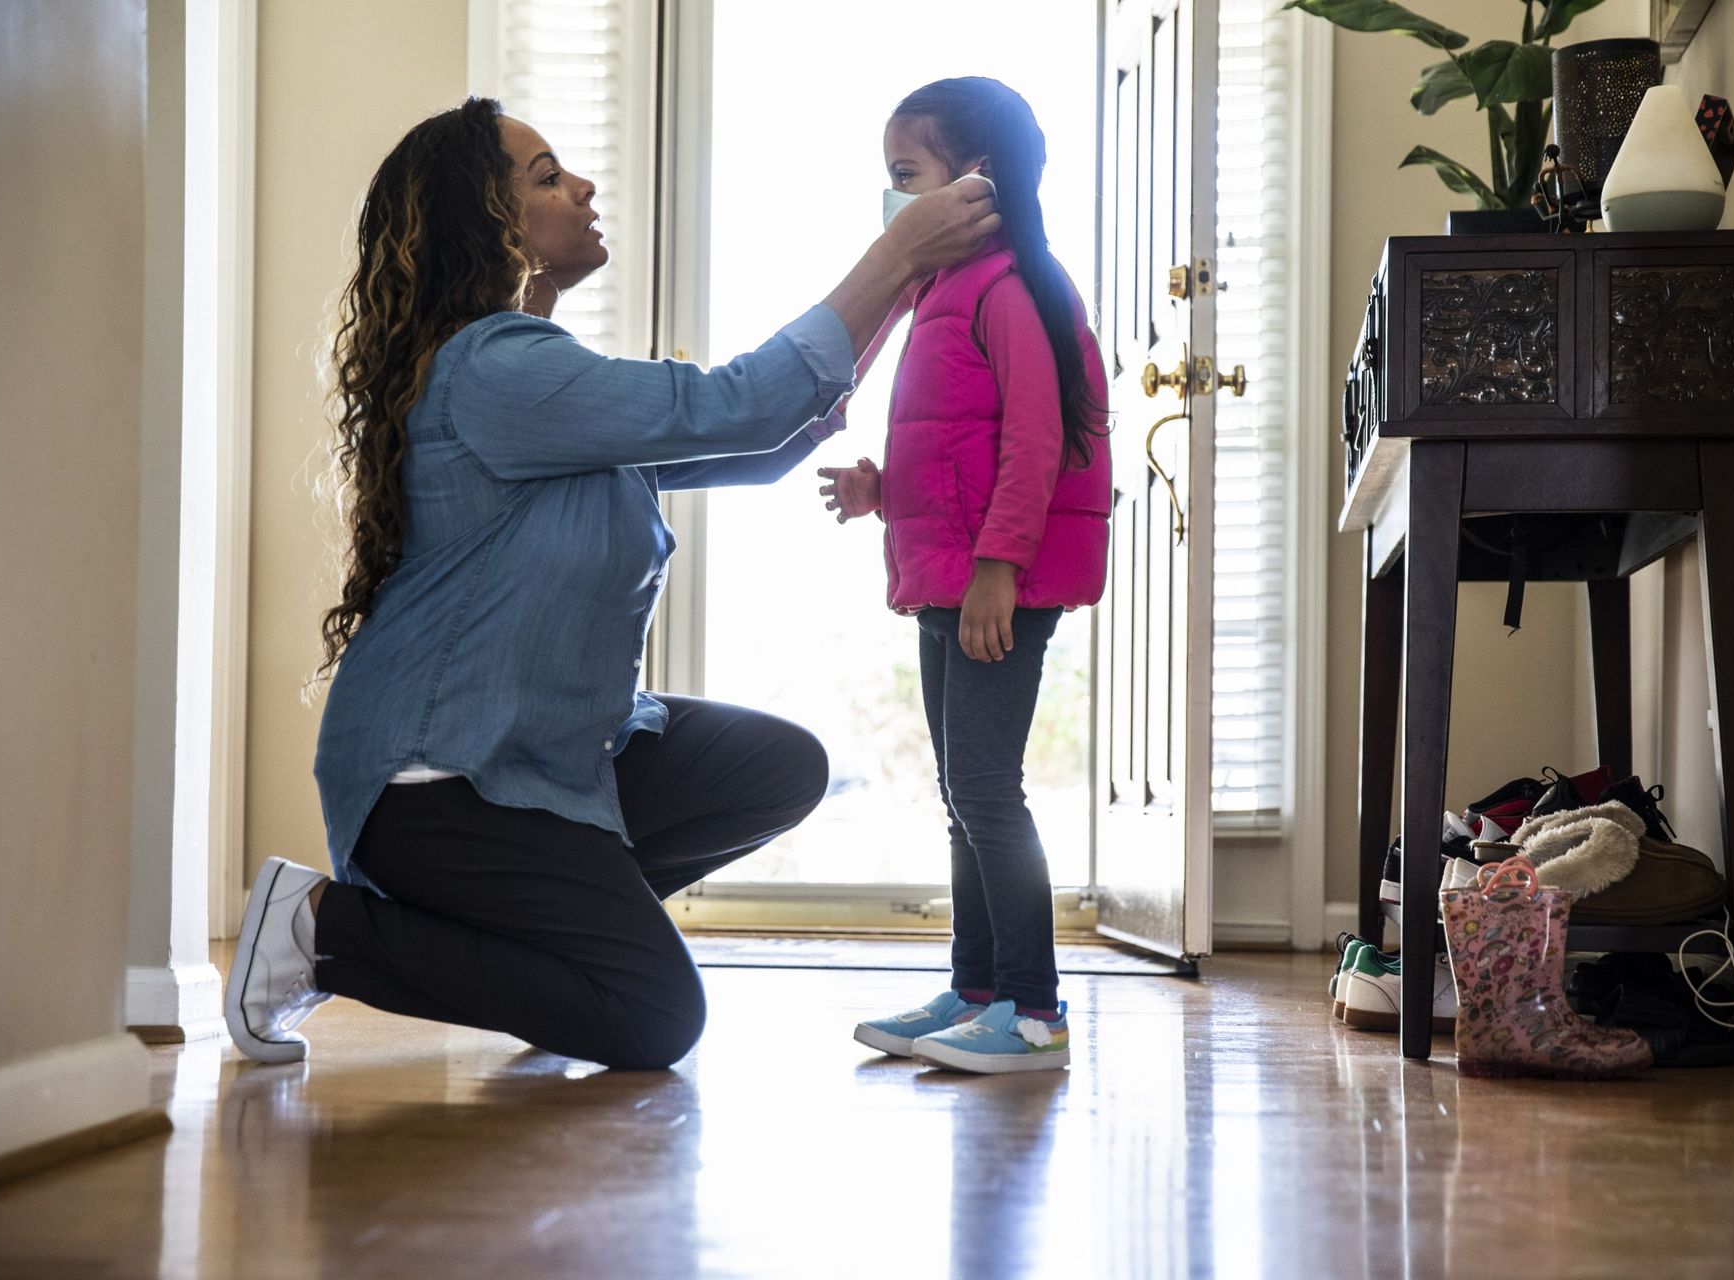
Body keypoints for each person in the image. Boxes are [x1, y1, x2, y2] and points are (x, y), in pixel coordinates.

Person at [222, 96, 1000, 1068]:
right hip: (436, 783)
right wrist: (896, 256)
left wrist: (908, 273)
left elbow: (766, 436)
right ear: (486, 221)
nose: (583, 188)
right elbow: (741, 402)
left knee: (777, 766)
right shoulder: (494, 370)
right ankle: (315, 927)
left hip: (541, 755)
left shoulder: (546, 386)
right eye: (546, 176)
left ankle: (550, 955)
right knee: (652, 1015)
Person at [821, 78, 1111, 1074]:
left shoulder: (1009, 284)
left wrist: (998, 566)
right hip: (948, 572)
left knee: (988, 787)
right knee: (962, 790)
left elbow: (1035, 442)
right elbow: (960, 446)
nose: (894, 198)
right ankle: (976, 987)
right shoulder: (941, 291)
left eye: (905, 175)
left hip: (996, 581)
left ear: (974, 180)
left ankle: (1034, 1010)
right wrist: (879, 487)